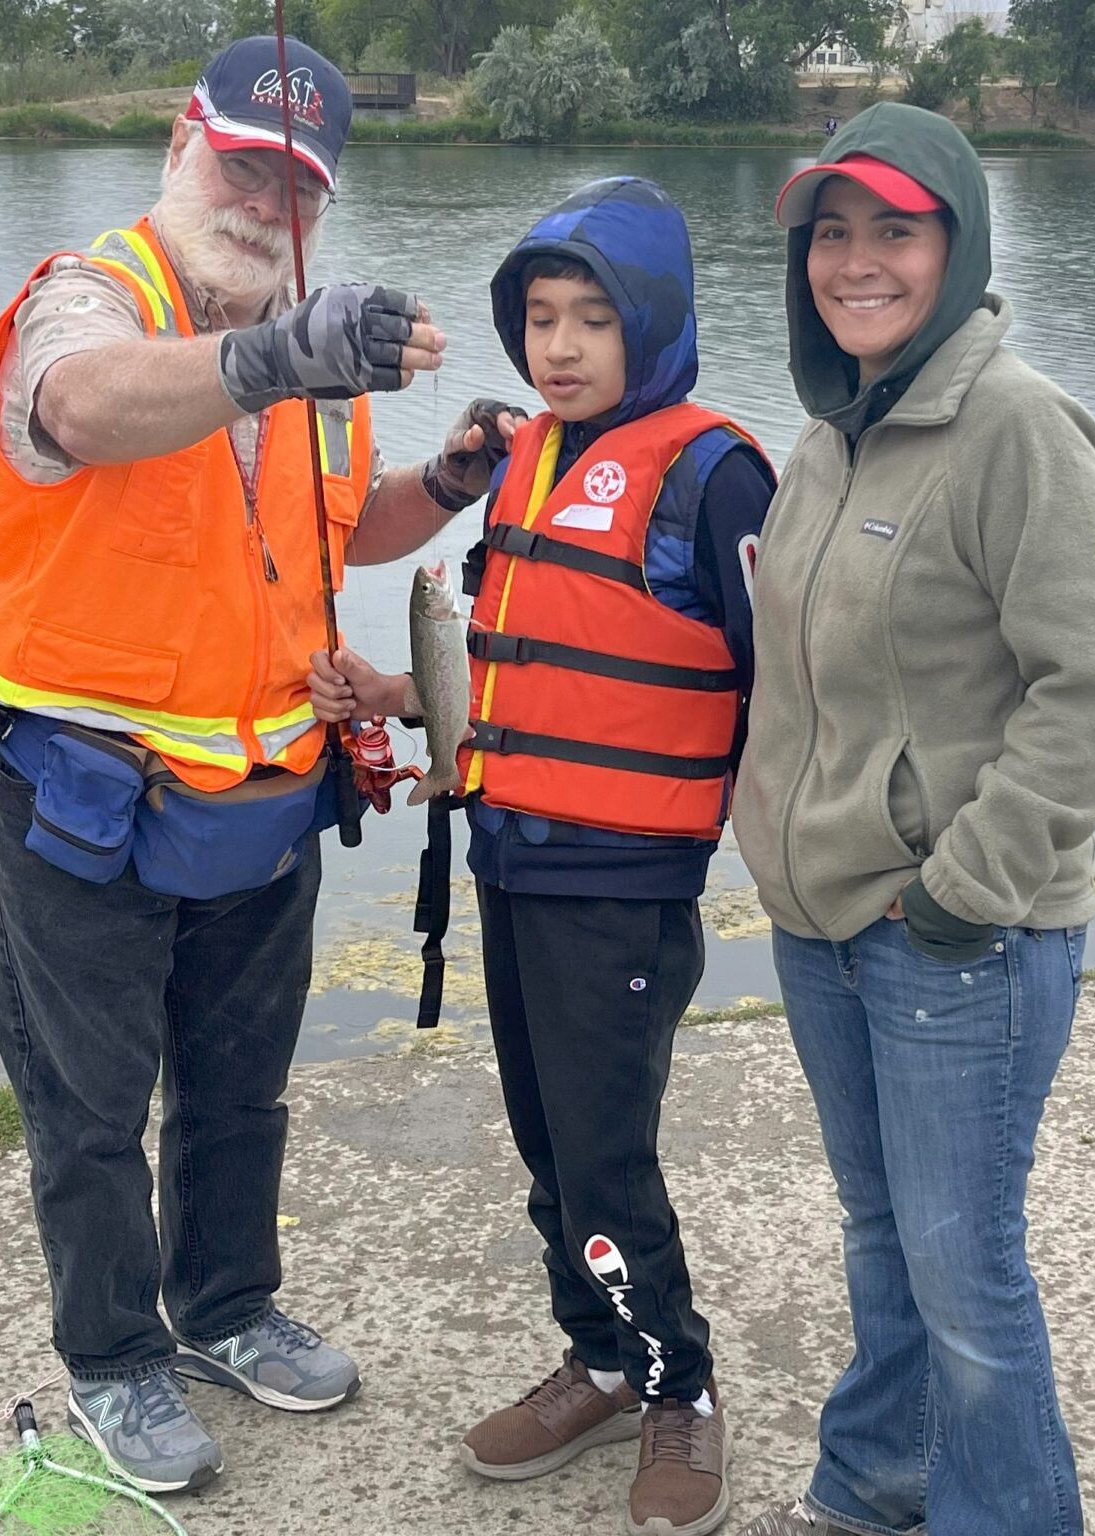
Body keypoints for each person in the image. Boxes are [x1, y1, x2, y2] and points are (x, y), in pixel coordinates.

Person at [0, 35, 517, 1499]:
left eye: (297, 184)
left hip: (263, 797)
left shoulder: (317, 353)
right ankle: (115, 1356)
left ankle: (228, 1308)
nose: (265, 205)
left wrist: (445, 483)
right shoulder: (91, 296)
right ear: (181, 146)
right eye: (244, 165)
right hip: (79, 798)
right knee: (87, 1102)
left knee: (240, 1087)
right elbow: (80, 406)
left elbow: (333, 530)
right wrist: (273, 354)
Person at [307, 177, 777, 1536]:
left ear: (656, 324)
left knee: (609, 1154)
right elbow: (514, 664)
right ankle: (599, 1357)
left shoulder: (713, 471)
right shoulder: (525, 459)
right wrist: (395, 695)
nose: (559, 348)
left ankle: (677, 1383)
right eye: (539, 318)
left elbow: (787, 684)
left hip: (622, 895)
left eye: (591, 320)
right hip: (509, 865)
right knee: (549, 1149)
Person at [731, 103, 1095, 1536]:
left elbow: (1087, 701)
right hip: (819, 924)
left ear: (954, 244)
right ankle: (877, 1482)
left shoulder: (1016, 429)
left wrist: (962, 889)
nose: (855, 262)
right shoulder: (830, 437)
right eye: (830, 233)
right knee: (882, 1241)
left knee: (967, 1278)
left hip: (956, 941)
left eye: (893, 230)